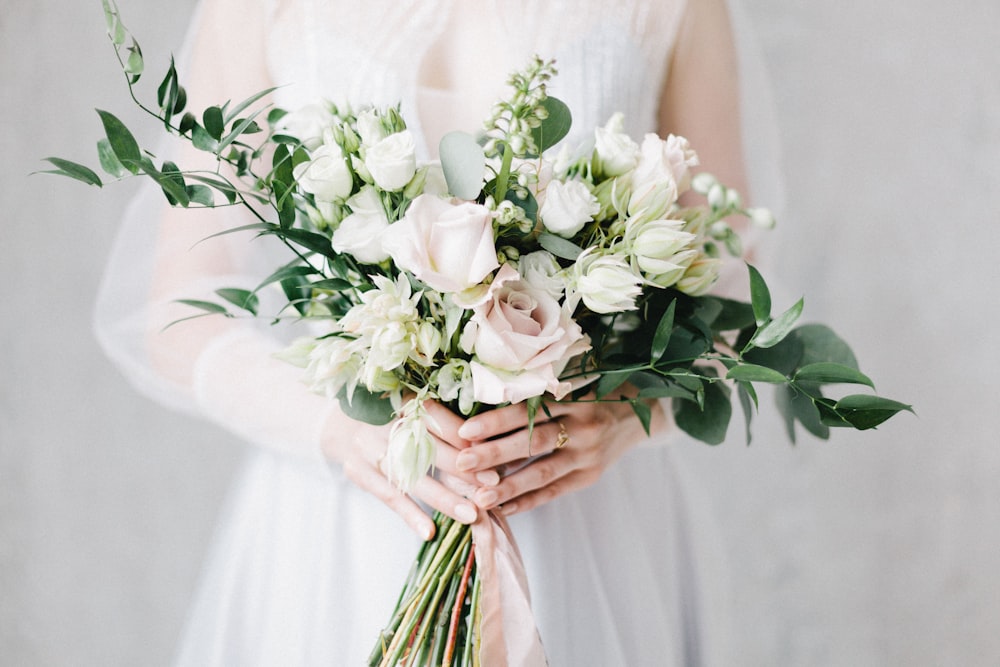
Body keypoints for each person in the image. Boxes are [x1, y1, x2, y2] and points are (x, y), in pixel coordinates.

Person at [95, 0, 749, 663]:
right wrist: (341, 426)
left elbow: (730, 286)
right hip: (345, 516)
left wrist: (633, 409)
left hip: (585, 516)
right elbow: (175, 314)